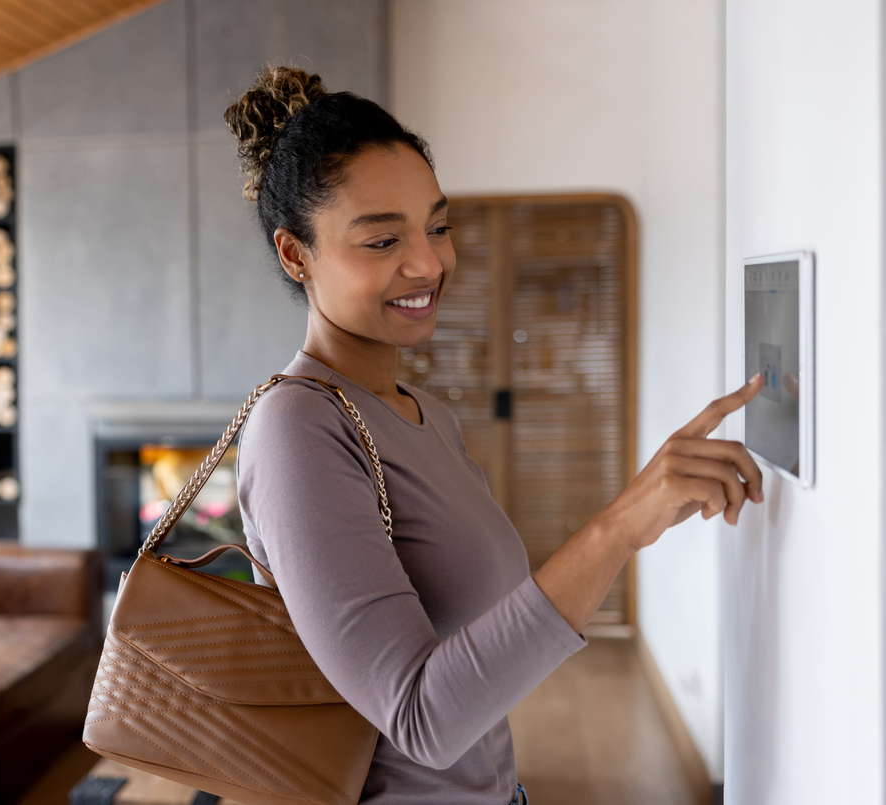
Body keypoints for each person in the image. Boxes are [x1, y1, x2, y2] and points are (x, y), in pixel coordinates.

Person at [227, 66, 763, 804]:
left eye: (437, 226)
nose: (429, 263)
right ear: (295, 255)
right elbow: (422, 717)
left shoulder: (422, 412)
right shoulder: (296, 428)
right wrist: (616, 529)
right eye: (382, 240)